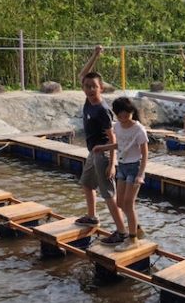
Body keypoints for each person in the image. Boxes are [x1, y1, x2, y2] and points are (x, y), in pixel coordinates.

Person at [75, 45, 127, 246]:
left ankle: (121, 231)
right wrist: (95, 55)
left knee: (108, 194)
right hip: (92, 152)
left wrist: (112, 163)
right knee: (87, 184)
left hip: (103, 155)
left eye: (93, 86)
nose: (89, 89)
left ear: (101, 88)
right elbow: (83, 74)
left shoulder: (102, 109)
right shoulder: (88, 100)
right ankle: (92, 216)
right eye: (87, 86)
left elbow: (113, 138)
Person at [110, 97, 149, 252]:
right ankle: (136, 227)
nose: (123, 119)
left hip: (134, 167)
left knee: (128, 203)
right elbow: (121, 144)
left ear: (132, 112)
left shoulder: (139, 130)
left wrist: (141, 175)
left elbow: (145, 154)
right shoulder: (117, 127)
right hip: (122, 166)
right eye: (120, 116)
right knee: (120, 202)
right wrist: (104, 147)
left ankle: (132, 239)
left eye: (126, 115)